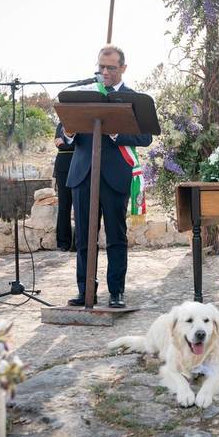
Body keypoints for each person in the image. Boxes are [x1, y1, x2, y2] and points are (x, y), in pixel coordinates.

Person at [62, 45, 151, 308]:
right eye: (101, 66)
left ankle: (116, 292)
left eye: (111, 67)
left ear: (123, 68)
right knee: (84, 238)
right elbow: (67, 133)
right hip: (83, 174)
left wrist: (115, 132)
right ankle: (84, 290)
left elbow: (145, 137)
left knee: (115, 236)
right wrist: (67, 132)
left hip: (114, 175)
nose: (105, 71)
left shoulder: (134, 98)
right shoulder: (83, 95)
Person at [53, 122, 75, 252]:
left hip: (80, 166)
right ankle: (63, 242)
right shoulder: (61, 124)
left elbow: (77, 144)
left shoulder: (83, 123)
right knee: (64, 205)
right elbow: (58, 144)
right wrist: (68, 144)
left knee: (81, 206)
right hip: (62, 168)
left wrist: (66, 144)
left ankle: (79, 242)